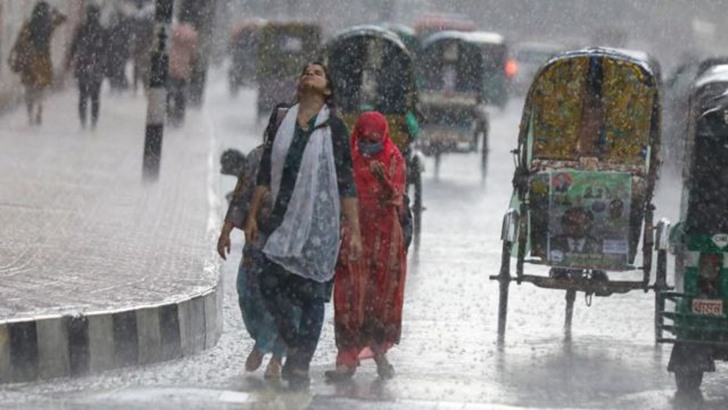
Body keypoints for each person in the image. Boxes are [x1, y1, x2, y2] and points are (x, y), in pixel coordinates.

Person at [245, 62, 363, 389]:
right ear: (300, 84)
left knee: (312, 294)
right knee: (268, 280)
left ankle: (300, 363)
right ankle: (294, 342)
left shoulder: (334, 129)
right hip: (280, 220)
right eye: (306, 71)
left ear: (327, 90)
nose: (310, 74)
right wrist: (253, 215)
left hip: (319, 226)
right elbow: (265, 174)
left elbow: (346, 182)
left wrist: (353, 230)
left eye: (318, 72)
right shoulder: (283, 121)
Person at [325, 111, 408, 382]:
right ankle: (345, 358)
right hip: (354, 233)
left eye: (374, 140)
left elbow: (395, 197)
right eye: (364, 139)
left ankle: (379, 354)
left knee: (378, 300)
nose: (368, 145)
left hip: (385, 239)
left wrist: (383, 180)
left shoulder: (394, 158)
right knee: (349, 295)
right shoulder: (348, 159)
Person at [217, 128, 294, 379]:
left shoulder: (302, 160)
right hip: (257, 241)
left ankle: (275, 356)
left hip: (288, 245)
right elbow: (241, 197)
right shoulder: (256, 158)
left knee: (285, 301)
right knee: (249, 293)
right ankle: (262, 338)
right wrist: (226, 231)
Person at [8, 1, 66, 125]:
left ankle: (30, 114)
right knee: (40, 88)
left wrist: (15, 54)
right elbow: (63, 19)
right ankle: (39, 108)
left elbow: (20, 42)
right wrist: (55, 12)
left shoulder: (28, 25)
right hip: (43, 61)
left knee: (29, 89)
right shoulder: (48, 25)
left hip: (30, 62)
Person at [66, 5, 107, 129]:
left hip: (83, 66)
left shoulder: (82, 29)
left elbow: (73, 48)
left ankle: (83, 122)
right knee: (95, 96)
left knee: (83, 95)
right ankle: (93, 123)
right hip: (96, 67)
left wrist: (68, 62)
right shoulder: (102, 31)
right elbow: (107, 51)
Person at [167, 21, 199, 126]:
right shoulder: (191, 39)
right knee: (180, 95)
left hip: (171, 68)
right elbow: (193, 56)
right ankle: (179, 117)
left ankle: (168, 113)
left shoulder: (173, 35)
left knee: (168, 93)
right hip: (183, 70)